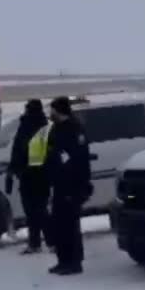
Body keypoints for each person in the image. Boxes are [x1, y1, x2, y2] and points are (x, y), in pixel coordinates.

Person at [44, 96, 93, 275]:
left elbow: (80, 160)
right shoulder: (56, 129)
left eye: (53, 111)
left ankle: (74, 262)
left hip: (72, 184)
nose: (51, 114)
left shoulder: (74, 130)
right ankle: (63, 260)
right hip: (59, 184)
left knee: (70, 225)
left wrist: (81, 185)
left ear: (60, 111)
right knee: (59, 224)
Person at [8, 99, 52, 254]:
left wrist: (14, 170)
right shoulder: (27, 125)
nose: (26, 111)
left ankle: (49, 241)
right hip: (29, 176)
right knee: (32, 211)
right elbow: (17, 149)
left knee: (39, 210)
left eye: (28, 109)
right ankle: (35, 243)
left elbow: (46, 152)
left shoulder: (42, 127)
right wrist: (13, 170)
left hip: (37, 175)